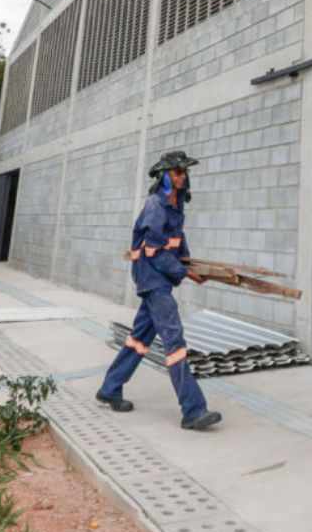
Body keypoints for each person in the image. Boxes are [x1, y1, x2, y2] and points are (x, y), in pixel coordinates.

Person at [95, 150, 222, 431]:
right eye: (177, 172)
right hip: (152, 278)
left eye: (184, 172)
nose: (182, 176)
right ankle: (193, 410)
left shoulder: (175, 206)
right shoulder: (155, 205)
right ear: (165, 175)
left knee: (139, 338)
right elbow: (153, 251)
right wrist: (183, 271)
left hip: (161, 277)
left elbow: (177, 240)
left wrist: (192, 267)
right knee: (174, 339)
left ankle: (110, 388)